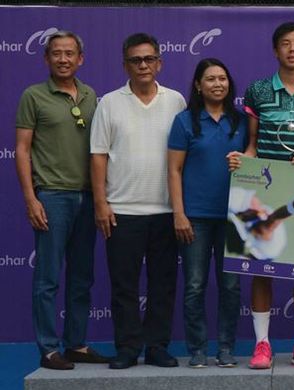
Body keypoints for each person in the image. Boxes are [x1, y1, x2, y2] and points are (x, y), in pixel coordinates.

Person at [228, 21, 294, 369]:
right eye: (285, 44)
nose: (292, 49)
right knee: (264, 268)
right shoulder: (258, 90)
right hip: (265, 186)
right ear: (276, 50)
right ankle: (262, 345)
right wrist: (244, 159)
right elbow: (253, 143)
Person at [90, 33, 186, 369]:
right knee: (124, 287)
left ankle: (157, 347)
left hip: (165, 211)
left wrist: (180, 209)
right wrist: (101, 203)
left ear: (159, 62)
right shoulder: (109, 103)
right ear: (125, 65)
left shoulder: (177, 101)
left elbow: (185, 154)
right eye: (135, 60)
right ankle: (128, 348)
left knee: (163, 285)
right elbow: (99, 155)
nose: (143, 65)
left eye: (148, 59)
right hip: (122, 211)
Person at [15, 30, 108, 370]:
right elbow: (22, 149)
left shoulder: (90, 94)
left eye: (70, 53)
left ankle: (77, 344)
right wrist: (31, 199)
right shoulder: (33, 96)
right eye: (57, 53)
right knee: (48, 279)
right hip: (52, 196)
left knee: (82, 277)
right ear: (46, 59)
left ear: (80, 58)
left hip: (88, 197)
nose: (64, 59)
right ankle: (49, 348)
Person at [167, 58, 246, 368]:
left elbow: (253, 159)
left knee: (230, 286)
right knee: (195, 285)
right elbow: (174, 170)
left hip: (235, 219)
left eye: (223, 78)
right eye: (210, 79)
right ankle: (197, 349)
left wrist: (245, 159)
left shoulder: (240, 122)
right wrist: (179, 213)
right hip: (195, 217)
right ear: (198, 85)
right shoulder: (185, 121)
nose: (217, 84)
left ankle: (226, 348)